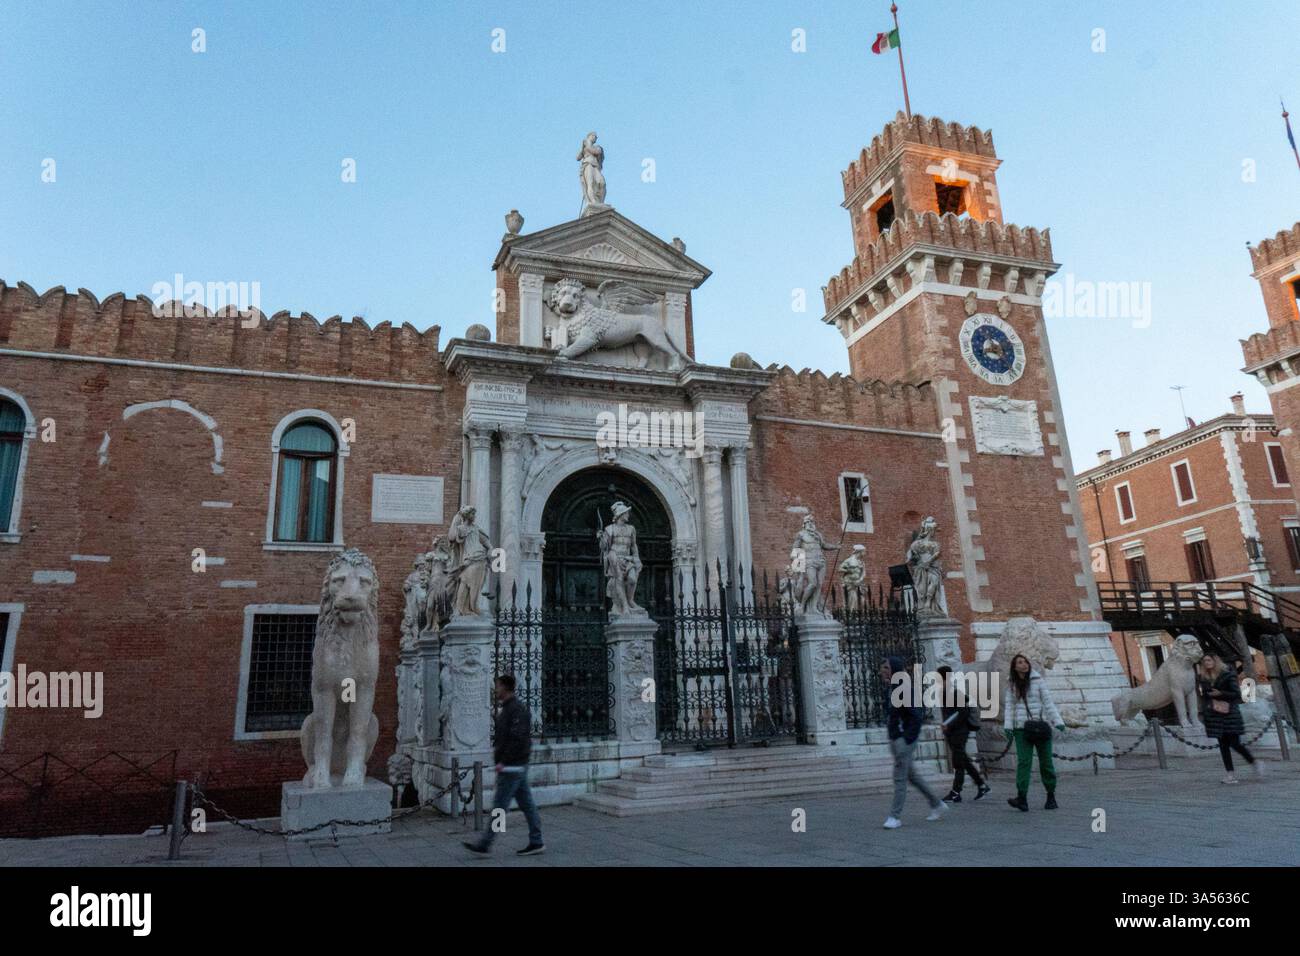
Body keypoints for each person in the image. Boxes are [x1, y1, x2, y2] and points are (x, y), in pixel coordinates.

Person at [465, 675, 545, 856]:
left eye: (498, 686)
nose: (496, 690)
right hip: (515, 766)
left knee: (499, 806)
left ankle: (486, 843)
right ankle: (536, 840)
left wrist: (504, 761)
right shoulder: (509, 709)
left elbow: (517, 739)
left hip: (512, 767)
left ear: (506, 687)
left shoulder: (516, 710)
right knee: (527, 805)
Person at [881, 655, 947, 829]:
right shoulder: (894, 687)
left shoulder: (904, 689)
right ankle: (936, 803)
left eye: (886, 667)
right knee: (913, 776)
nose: (883, 670)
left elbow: (917, 715)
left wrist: (906, 738)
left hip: (904, 740)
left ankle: (894, 817)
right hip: (897, 738)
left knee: (900, 778)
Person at [1003, 653, 1065, 811]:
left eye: (1025, 662)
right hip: (1021, 729)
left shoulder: (1038, 681)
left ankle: (1051, 796)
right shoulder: (1011, 684)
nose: (1023, 664)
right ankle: (1022, 798)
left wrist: (1058, 721)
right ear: (1014, 667)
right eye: (1019, 662)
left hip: (1040, 726)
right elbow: (1009, 707)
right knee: (1024, 763)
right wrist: (1008, 726)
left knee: (1046, 763)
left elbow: (1048, 702)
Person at [1199, 652, 1262, 784]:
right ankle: (1230, 774)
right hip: (1214, 714)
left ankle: (1253, 762)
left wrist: (1220, 693)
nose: (1206, 663)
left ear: (1215, 660)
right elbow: (1204, 696)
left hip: (1229, 713)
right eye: (1204, 661)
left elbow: (1236, 693)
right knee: (1223, 745)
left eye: (1209, 660)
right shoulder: (1204, 678)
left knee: (1235, 743)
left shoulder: (1227, 674)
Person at [937, 665, 990, 803]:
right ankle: (982, 785)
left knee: (958, 762)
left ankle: (956, 792)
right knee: (964, 761)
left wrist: (948, 724)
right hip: (953, 732)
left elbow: (963, 712)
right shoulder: (945, 692)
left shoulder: (954, 693)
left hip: (960, 732)